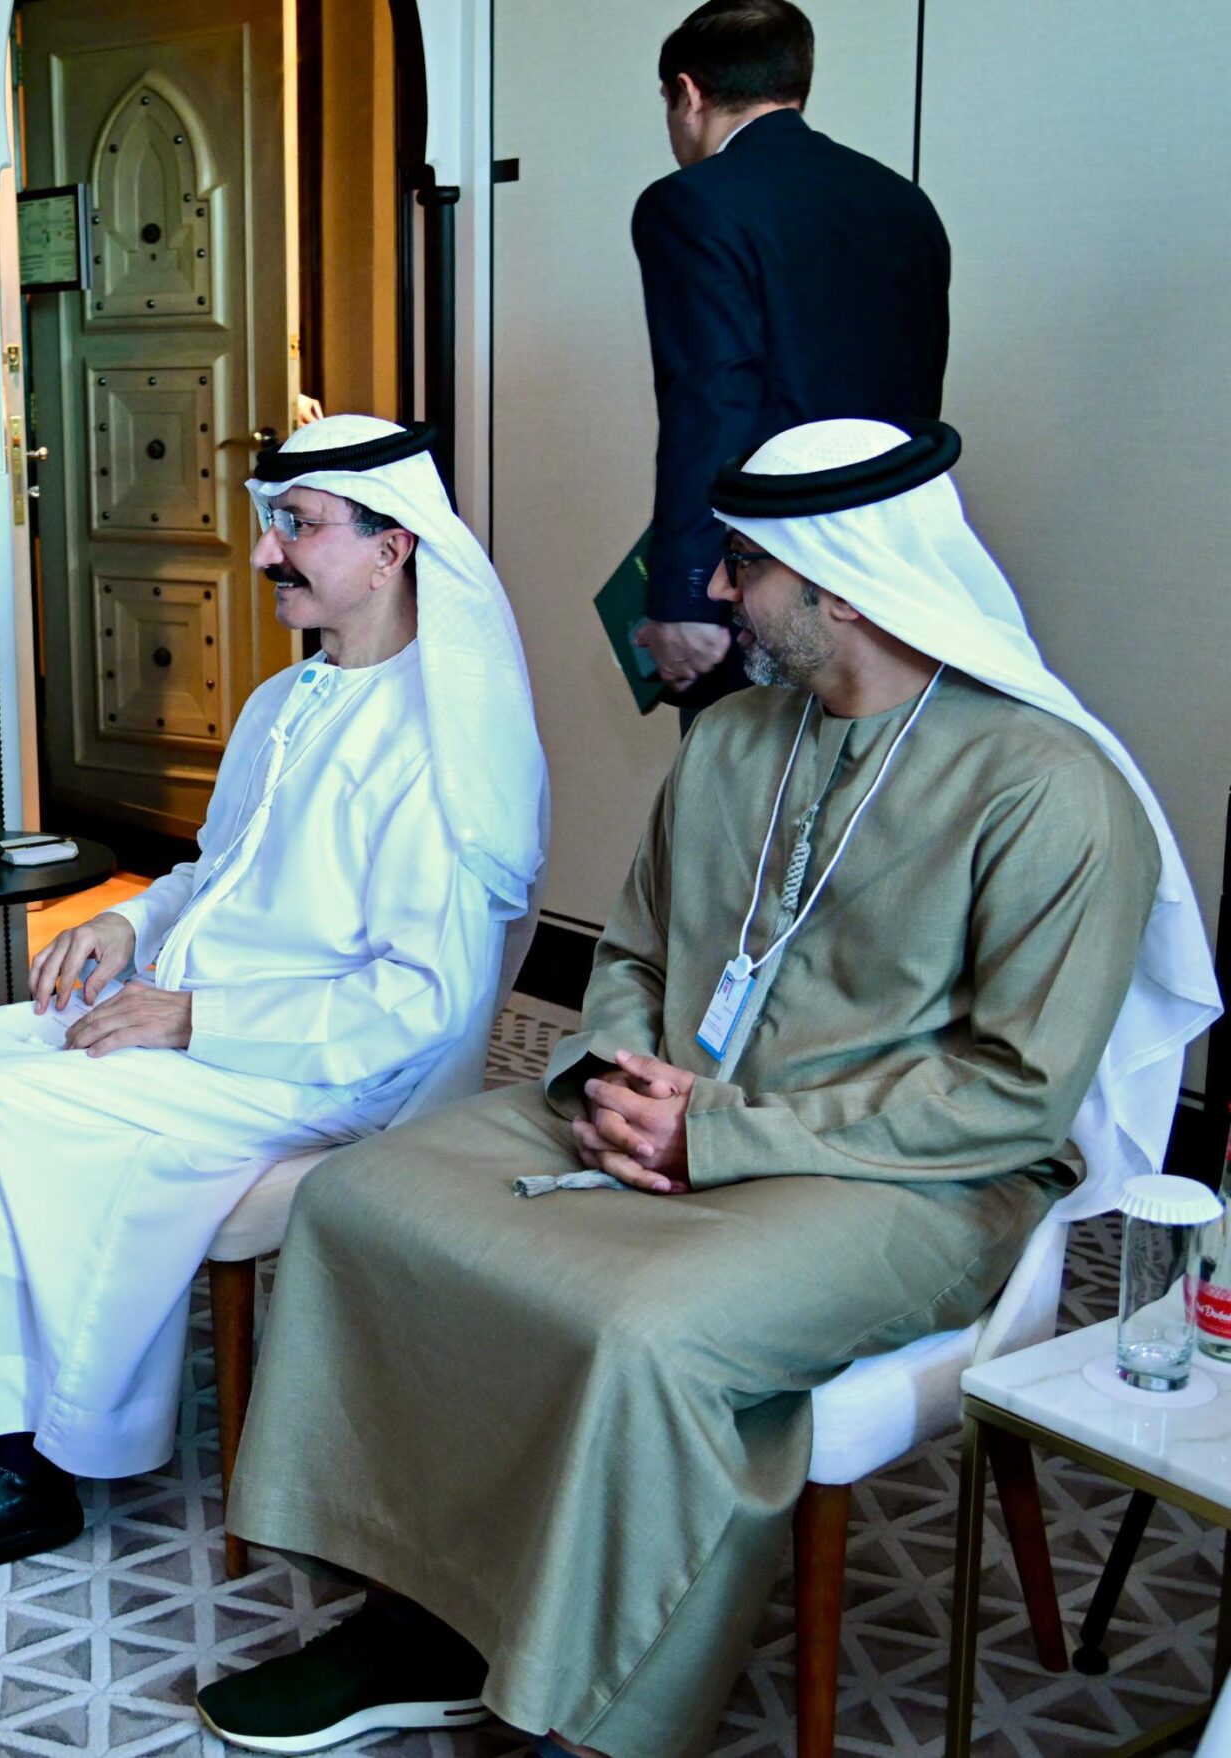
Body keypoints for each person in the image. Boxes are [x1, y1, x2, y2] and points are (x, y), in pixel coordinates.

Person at [196, 418, 1219, 1757]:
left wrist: (717, 1133)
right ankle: (424, 1614)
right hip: (666, 1103)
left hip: (910, 1176)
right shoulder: (735, 739)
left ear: (840, 583)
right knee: (362, 1202)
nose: (719, 589)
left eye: (745, 563)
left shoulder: (1051, 789)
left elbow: (1011, 1094)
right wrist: (623, 1076)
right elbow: (628, 951)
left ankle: (597, 1707)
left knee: (643, 1328)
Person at [0, 415, 549, 1590]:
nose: (268, 553)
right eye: (271, 524)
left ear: (391, 548)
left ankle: (14, 1468)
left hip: (325, 1069)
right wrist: (130, 921)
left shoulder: (440, 748)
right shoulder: (288, 701)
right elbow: (217, 875)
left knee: (7, 1105)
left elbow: (416, 1006)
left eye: (297, 527)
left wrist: (189, 1020)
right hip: (198, 1003)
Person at [630, 0, 950, 719]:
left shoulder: (691, 204)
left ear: (688, 93)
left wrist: (686, 590)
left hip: (767, 569)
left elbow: (709, 401)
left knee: (747, 774)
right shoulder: (904, 203)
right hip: (887, 571)